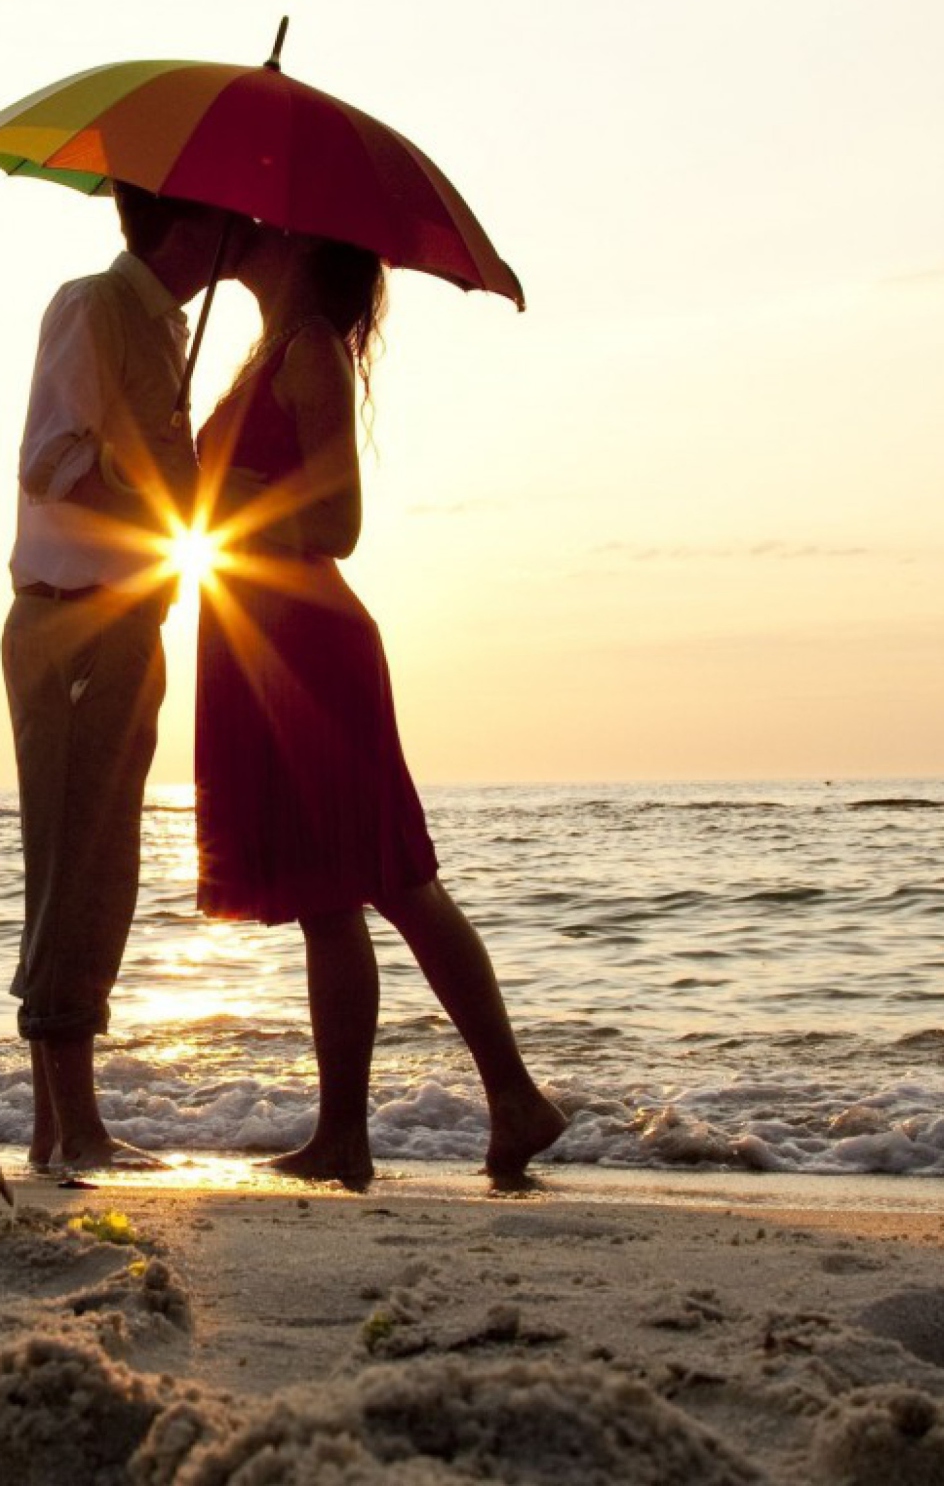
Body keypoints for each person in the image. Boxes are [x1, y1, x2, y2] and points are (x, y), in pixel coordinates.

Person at [192, 223, 567, 1189]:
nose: (241, 232)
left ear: (299, 245)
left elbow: (339, 524)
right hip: (257, 637)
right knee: (329, 898)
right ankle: (350, 1135)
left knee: (391, 878)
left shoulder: (310, 347)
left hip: (308, 643)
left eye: (263, 226)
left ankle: (506, 1099)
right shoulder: (266, 350)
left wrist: (230, 490)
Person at [4, 180, 228, 1176]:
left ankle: (61, 1129)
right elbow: (51, 455)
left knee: (107, 866)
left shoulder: (165, 329)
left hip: (126, 619)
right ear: (180, 224)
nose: (237, 237)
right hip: (71, 619)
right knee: (73, 865)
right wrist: (156, 497)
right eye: (224, 219)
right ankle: (72, 1125)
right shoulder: (94, 304)